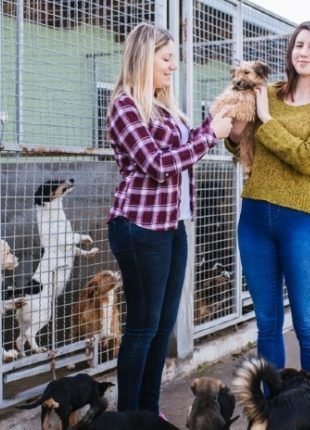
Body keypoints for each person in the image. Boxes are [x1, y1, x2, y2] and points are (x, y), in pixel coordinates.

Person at [226, 21, 310, 422]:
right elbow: (239, 143)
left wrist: (268, 118)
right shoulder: (268, 91)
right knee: (266, 323)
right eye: (298, 45)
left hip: (303, 222)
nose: (303, 53)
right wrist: (238, 130)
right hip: (255, 217)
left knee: (307, 324)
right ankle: (270, 415)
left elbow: (309, 158)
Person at [105, 22, 232, 415]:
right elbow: (157, 165)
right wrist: (210, 137)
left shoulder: (163, 105)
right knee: (142, 327)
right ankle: (130, 416)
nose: (173, 66)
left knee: (162, 326)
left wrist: (214, 122)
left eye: (174, 59)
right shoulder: (126, 105)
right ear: (144, 58)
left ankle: (149, 410)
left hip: (172, 225)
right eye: (166, 58)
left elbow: (188, 144)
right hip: (139, 226)